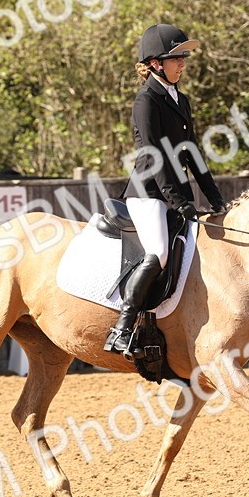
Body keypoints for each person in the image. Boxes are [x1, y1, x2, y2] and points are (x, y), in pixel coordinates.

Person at [103, 23, 225, 357]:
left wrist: (214, 196)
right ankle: (122, 328)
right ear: (156, 63)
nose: (183, 63)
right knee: (158, 252)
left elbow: (191, 153)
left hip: (174, 194)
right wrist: (177, 199)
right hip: (148, 194)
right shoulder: (147, 101)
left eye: (184, 57)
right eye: (176, 58)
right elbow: (152, 155)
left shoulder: (180, 100)